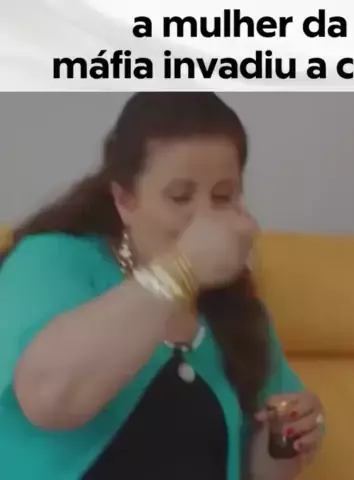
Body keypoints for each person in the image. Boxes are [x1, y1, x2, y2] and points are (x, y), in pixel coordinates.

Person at [0, 92, 324, 480]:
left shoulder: (237, 309)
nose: (205, 218)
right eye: (180, 196)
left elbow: (260, 472)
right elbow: (49, 397)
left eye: (223, 196)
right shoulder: (52, 259)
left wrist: (288, 436)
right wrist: (181, 270)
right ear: (125, 200)